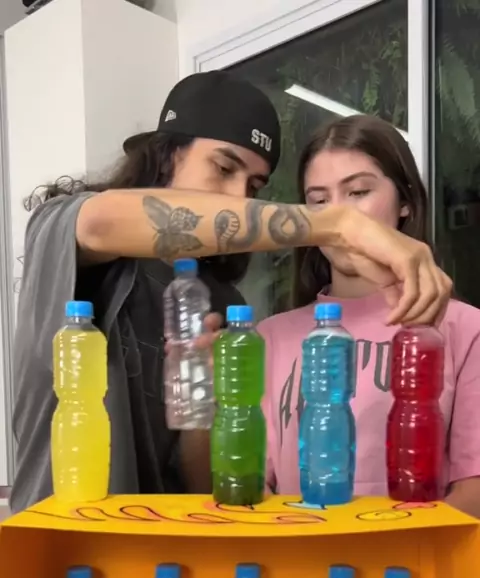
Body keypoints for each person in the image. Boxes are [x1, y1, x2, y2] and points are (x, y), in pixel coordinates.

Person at [11, 74, 451, 513]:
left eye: (254, 187)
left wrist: (204, 403)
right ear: (167, 155)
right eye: (223, 168)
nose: (239, 197)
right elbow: (101, 223)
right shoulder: (64, 232)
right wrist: (339, 223)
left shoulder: (223, 306)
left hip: (164, 544)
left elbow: (200, 483)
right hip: (63, 536)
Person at [257, 114, 480, 517]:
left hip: (415, 555)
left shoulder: (464, 329)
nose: (339, 220)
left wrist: (396, 549)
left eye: (358, 192)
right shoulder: (270, 336)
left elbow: (473, 492)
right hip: (296, 551)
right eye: (319, 201)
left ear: (405, 202)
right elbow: (250, 487)